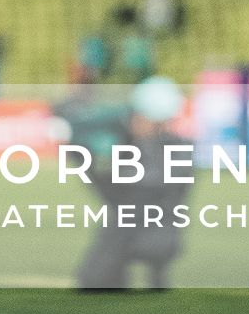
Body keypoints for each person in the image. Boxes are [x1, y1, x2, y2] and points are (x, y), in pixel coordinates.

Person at [74, 74, 194, 292]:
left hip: (138, 237)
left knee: (94, 282)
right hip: (165, 239)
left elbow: (121, 196)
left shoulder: (148, 153)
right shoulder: (180, 149)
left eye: (138, 115)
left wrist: (83, 160)